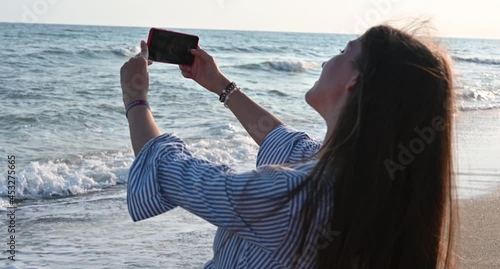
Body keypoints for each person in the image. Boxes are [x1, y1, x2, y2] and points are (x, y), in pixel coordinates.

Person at [120, 25, 457, 269]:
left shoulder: (295, 196)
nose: (327, 61)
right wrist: (221, 86)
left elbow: (169, 171)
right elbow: (282, 141)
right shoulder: (371, 179)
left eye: (343, 52)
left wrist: (135, 98)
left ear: (354, 85)